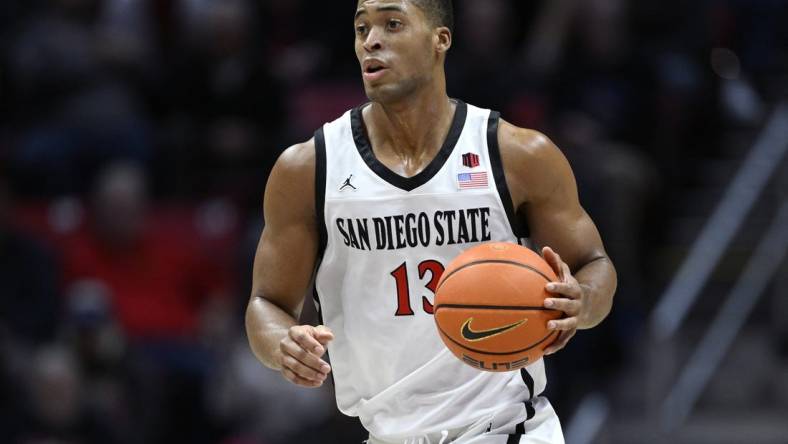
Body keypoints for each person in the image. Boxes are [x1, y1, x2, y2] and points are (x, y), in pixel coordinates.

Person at [246, 1, 617, 443]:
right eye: (361, 27)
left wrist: (582, 302)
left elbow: (594, 263)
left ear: (440, 39)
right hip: (385, 433)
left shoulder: (517, 154)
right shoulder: (308, 168)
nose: (372, 40)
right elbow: (266, 304)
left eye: (393, 23)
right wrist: (282, 344)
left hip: (506, 427)